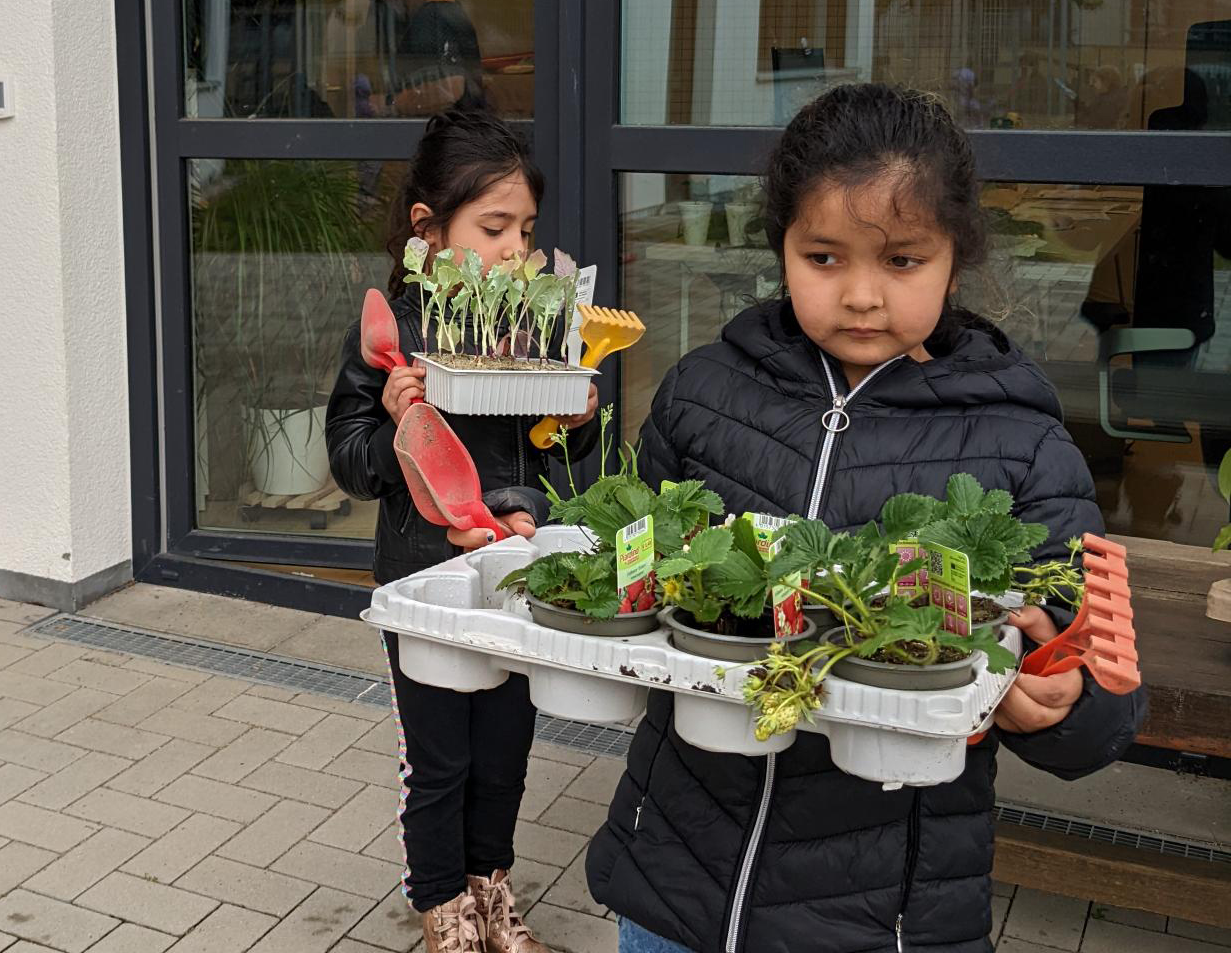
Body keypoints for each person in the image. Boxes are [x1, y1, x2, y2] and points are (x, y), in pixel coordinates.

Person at [469, 84, 1148, 952]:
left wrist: (1066, 703)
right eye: (823, 257)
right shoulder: (707, 391)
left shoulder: (1021, 441)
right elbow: (622, 532)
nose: (862, 296)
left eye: (902, 261)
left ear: (955, 255)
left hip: (880, 912)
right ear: (781, 247)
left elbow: (1095, 684)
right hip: (678, 876)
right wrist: (532, 515)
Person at [327, 109, 599, 953]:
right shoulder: (395, 339)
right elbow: (349, 457)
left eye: (526, 227)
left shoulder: (533, 328)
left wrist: (575, 418)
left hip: (513, 572)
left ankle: (492, 887)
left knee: (507, 751)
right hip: (424, 580)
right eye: (494, 226)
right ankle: (441, 901)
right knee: (440, 757)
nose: (517, 246)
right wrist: (396, 424)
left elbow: (554, 457)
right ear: (428, 231)